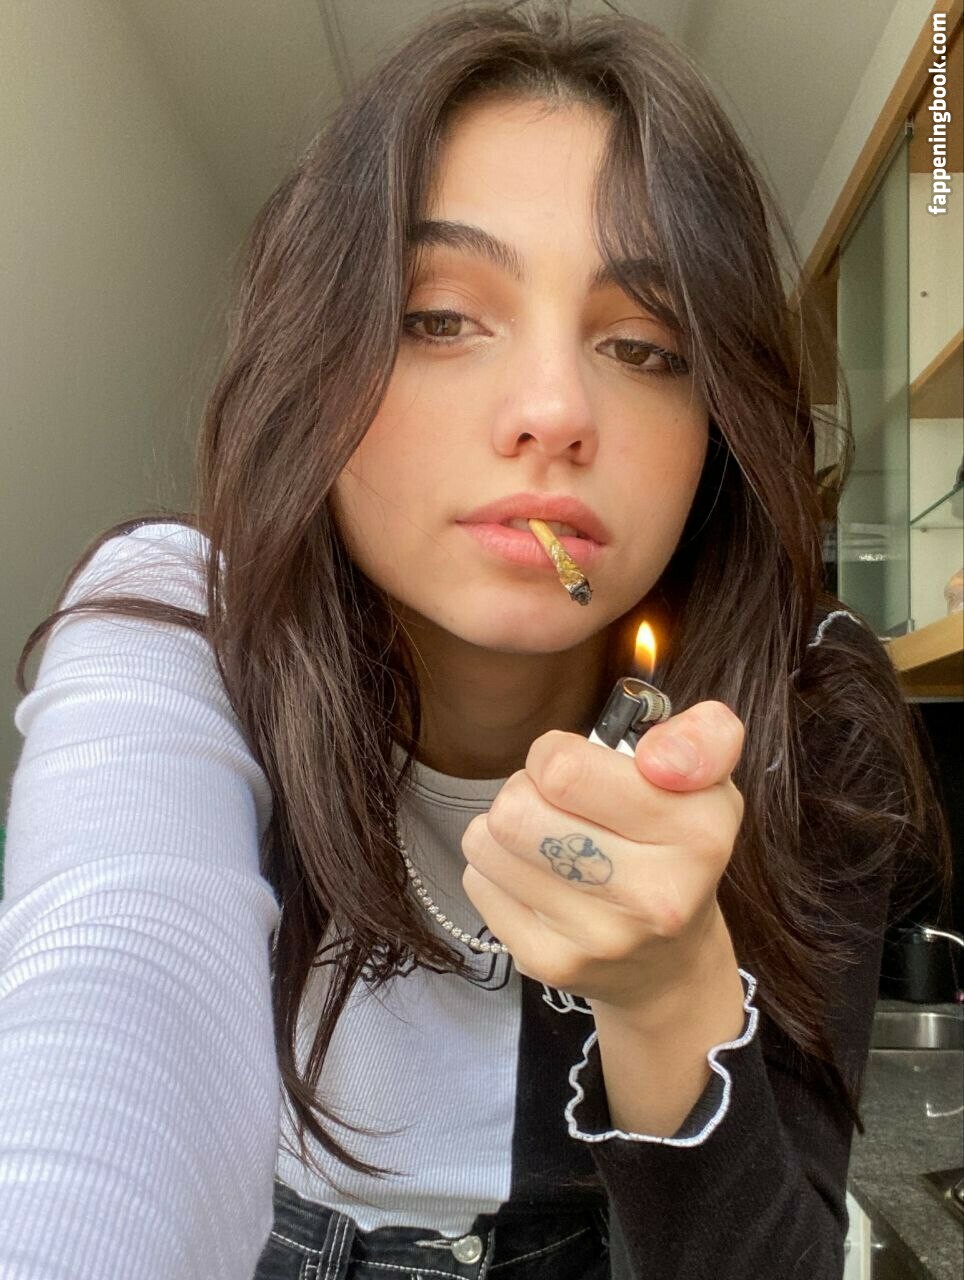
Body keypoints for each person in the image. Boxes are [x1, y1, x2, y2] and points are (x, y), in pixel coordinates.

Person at [0, 3, 951, 1278]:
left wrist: (666, 994)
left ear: (717, 423)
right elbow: (114, 1004)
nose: (553, 410)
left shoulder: (800, 707)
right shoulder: (182, 621)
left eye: (644, 345)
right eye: (440, 317)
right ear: (314, 359)